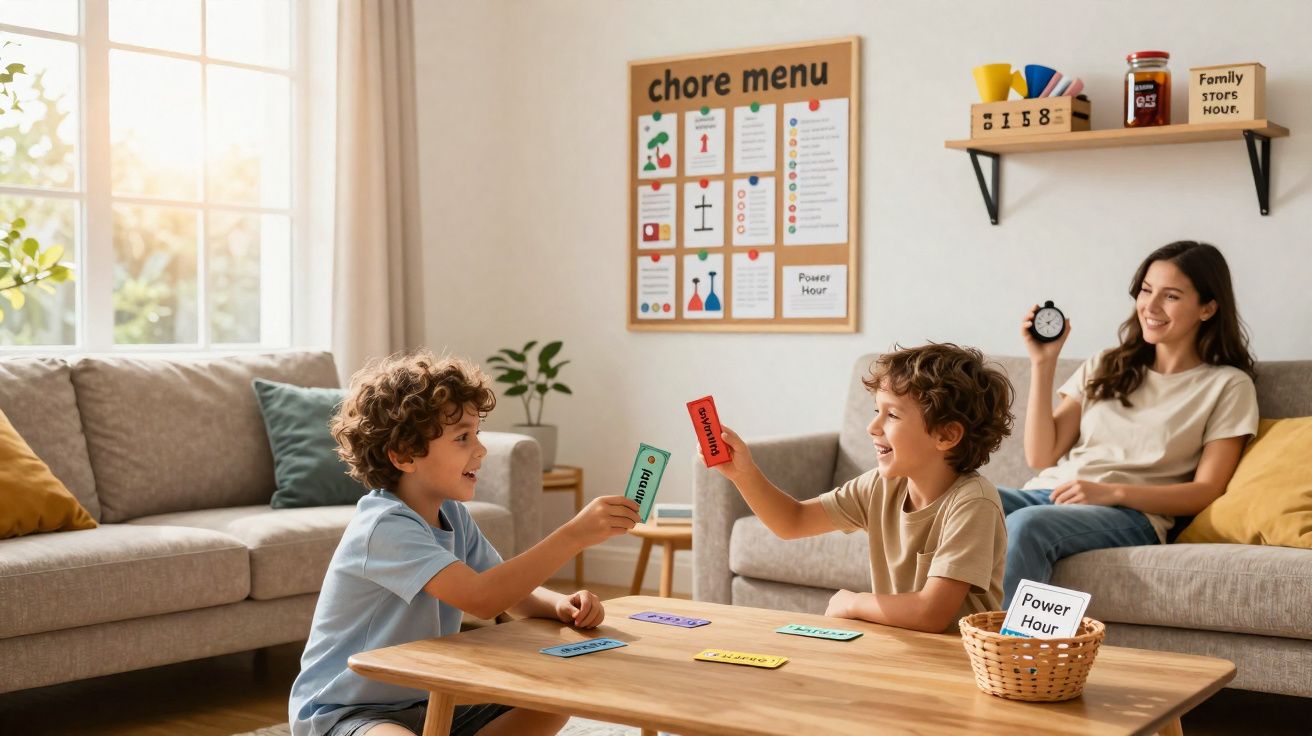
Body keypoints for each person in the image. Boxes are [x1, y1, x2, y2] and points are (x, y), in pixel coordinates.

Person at [289, 350, 640, 736]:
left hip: (427, 702)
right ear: (404, 456)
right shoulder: (383, 527)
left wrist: (560, 604)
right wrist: (573, 535)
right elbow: (482, 598)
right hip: (346, 711)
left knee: (552, 701)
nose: (481, 449)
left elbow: (508, 594)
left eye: (477, 434)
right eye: (462, 437)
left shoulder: (452, 515)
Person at [1003, 241, 1258, 604]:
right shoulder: (1107, 364)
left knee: (1027, 524)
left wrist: (1112, 492)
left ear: (1208, 308)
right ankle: (928, 630)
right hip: (1052, 493)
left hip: (1131, 515)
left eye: (1171, 296)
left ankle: (1006, 641)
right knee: (960, 501)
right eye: (1146, 290)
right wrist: (1043, 362)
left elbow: (1206, 490)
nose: (1150, 306)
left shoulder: (1228, 385)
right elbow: (1041, 456)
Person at [705, 343, 1014, 633]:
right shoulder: (881, 486)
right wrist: (744, 474)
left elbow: (931, 613)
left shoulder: (973, 503)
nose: (872, 427)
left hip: (957, 660)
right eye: (877, 411)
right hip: (899, 647)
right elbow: (793, 521)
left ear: (946, 436)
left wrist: (854, 602)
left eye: (892, 415)